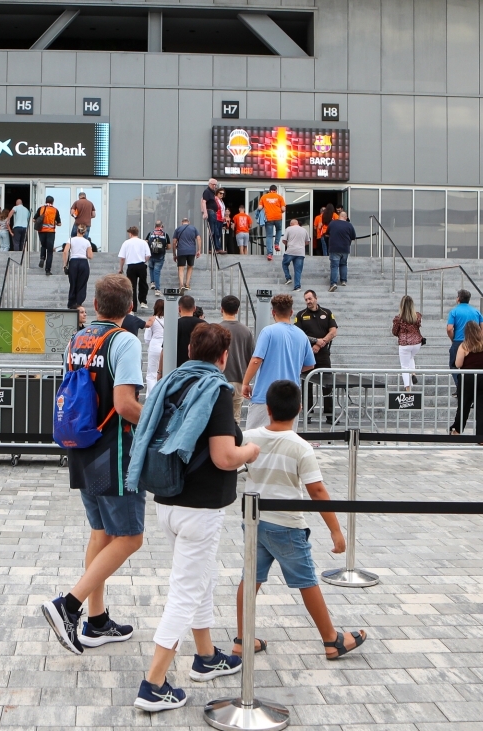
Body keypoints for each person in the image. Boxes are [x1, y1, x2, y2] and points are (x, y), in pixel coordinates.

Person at [127, 323, 257, 711]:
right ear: (223, 357)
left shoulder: (172, 382)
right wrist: (250, 451)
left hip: (167, 499)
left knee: (202, 578)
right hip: (201, 507)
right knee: (185, 591)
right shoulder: (215, 390)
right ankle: (153, 684)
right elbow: (224, 456)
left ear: (188, 350)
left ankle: (206, 656)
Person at [42, 275, 145, 657]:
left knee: (101, 533)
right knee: (130, 537)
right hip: (114, 451)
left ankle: (97, 621)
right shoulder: (125, 341)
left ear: (96, 305)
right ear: (130, 308)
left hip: (81, 446)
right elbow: (125, 404)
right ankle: (68, 605)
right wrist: (158, 421)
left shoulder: (77, 340)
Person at [234, 379, 367, 660]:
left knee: (250, 578)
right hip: (287, 524)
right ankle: (331, 640)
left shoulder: (249, 437)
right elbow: (317, 490)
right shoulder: (300, 446)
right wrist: (335, 530)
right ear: (300, 409)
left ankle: (242, 639)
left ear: (268, 409)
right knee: (306, 579)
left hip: (255, 521)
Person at [242, 293, 315, 430]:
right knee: (286, 439)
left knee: (255, 438)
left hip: (265, 395)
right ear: (291, 312)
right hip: (291, 396)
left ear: (273, 312)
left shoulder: (268, 332)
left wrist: (245, 383)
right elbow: (310, 364)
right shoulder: (302, 335)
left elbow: (256, 359)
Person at [295, 290, 338, 423]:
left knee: (327, 384)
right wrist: (315, 341)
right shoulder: (301, 315)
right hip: (307, 354)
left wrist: (320, 343)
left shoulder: (327, 313)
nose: (308, 301)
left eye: (310, 299)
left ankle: (330, 415)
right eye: (306, 299)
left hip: (323, 354)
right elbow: (299, 334)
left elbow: (333, 331)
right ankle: (307, 414)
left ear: (316, 298)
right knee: (307, 384)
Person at [450, 321, 483, 437]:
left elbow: (458, 364)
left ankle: (457, 430)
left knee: (464, 405)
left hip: (468, 377)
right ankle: (482, 437)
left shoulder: (464, 346)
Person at [219, 295, 255, 423]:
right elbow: (251, 357)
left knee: (219, 418)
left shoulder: (216, 329)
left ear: (221, 309)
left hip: (219, 379)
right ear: (237, 310)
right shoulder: (246, 331)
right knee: (235, 420)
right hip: (239, 379)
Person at [446, 289, 483, 383]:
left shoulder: (454, 311)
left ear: (458, 299)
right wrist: (479, 338)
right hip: (474, 341)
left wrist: (453, 339)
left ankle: (459, 385)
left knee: (454, 365)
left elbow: (449, 329)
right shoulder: (476, 311)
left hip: (459, 341)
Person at [391, 295, 423, 388]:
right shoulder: (417, 316)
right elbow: (418, 326)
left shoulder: (398, 318)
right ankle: (413, 373)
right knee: (411, 357)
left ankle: (408, 390)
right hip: (417, 343)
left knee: (404, 367)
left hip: (405, 343)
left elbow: (394, 331)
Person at [117, 226, 150, 311]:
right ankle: (143, 301)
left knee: (132, 286)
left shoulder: (126, 243)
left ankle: (133, 307)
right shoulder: (143, 242)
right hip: (141, 265)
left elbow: (122, 258)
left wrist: (121, 268)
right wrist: (144, 261)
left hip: (131, 266)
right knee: (143, 284)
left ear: (130, 234)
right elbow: (148, 255)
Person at [64, 224, 93, 310]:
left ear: (77, 230)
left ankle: (71, 303)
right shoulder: (87, 242)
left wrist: (65, 264)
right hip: (83, 262)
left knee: (73, 283)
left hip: (73, 262)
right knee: (82, 284)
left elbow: (65, 252)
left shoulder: (71, 240)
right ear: (84, 232)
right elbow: (90, 256)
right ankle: (79, 303)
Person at [326, 210, 356, 292]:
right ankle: (343, 280)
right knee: (343, 264)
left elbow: (327, 233)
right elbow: (353, 237)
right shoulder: (349, 225)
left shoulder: (332, 223)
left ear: (339, 216)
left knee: (334, 266)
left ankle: (333, 283)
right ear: (346, 217)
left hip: (334, 248)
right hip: (345, 248)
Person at [280, 218, 310, 291]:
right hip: (300, 252)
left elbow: (284, 240)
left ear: (291, 224)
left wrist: (288, 245)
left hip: (290, 251)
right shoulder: (304, 230)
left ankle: (288, 278)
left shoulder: (289, 229)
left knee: (284, 263)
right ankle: (297, 286)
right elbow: (307, 241)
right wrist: (301, 245)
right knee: (298, 270)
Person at [172, 217, 200, 291]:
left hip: (181, 251)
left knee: (181, 268)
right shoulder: (194, 228)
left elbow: (174, 242)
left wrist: (174, 254)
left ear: (182, 222)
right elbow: (198, 238)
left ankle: (181, 285)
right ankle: (187, 284)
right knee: (190, 267)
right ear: (189, 222)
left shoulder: (178, 229)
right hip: (191, 251)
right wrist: (199, 250)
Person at [176, 294, 205, 367]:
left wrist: (160, 371)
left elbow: (165, 350)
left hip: (178, 368)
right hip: (199, 367)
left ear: (179, 309)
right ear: (194, 308)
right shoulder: (204, 325)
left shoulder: (174, 325)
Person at [35, 195, 61, 274]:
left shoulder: (41, 209)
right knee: (50, 251)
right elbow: (59, 223)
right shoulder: (55, 210)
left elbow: (34, 219)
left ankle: (42, 258)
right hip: (51, 231)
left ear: (45, 201)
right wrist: (55, 223)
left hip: (41, 231)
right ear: (53, 202)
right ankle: (47, 270)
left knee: (43, 245)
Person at [144, 299, 165, 393]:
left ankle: (151, 395)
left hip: (154, 346)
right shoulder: (170, 319)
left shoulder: (152, 319)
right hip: (165, 347)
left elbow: (147, 338)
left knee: (151, 374)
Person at [258, 186, 285, 261]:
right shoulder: (279, 197)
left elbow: (259, 208)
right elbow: (283, 209)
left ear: (269, 190)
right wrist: (280, 211)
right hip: (278, 217)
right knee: (279, 230)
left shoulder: (264, 197)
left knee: (269, 236)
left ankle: (269, 254)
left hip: (269, 218)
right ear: (276, 190)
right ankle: (276, 244)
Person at [145, 220, 170, 293]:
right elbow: (169, 247)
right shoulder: (165, 235)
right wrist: (163, 248)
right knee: (157, 271)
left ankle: (152, 283)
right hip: (160, 256)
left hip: (151, 254)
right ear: (161, 226)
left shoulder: (150, 234)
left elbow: (145, 243)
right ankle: (157, 289)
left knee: (151, 268)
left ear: (155, 226)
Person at [202, 177, 223, 253]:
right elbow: (203, 201)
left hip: (213, 212)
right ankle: (211, 248)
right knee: (212, 231)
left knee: (216, 231)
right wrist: (205, 212)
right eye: (213, 184)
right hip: (210, 211)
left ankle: (217, 247)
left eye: (215, 185)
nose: (215, 186)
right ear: (210, 184)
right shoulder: (207, 191)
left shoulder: (212, 192)